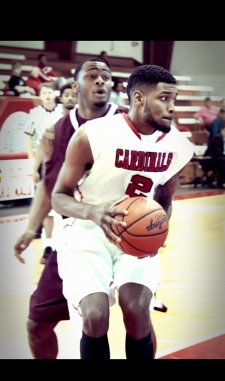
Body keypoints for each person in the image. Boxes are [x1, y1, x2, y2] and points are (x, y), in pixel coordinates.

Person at [51, 64, 195, 360]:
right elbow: (58, 197)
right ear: (139, 98)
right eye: (164, 98)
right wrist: (93, 212)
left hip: (136, 239)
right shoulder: (93, 134)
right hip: (89, 232)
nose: (171, 108)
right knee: (94, 316)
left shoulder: (178, 145)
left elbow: (165, 198)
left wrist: (159, 227)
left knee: (138, 311)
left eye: (174, 100)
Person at [13, 57, 130, 359]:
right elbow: (48, 185)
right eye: (92, 75)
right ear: (75, 85)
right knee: (36, 324)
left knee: (137, 318)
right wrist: (30, 228)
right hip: (74, 235)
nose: (101, 81)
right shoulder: (56, 131)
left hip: (124, 233)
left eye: (106, 76)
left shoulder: (129, 121)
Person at [32, 83, 77, 263]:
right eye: (66, 95)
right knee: (49, 213)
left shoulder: (86, 121)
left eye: (73, 95)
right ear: (61, 97)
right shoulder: (53, 122)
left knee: (72, 215)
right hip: (54, 171)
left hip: (76, 175)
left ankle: (70, 247)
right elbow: (43, 148)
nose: (69, 98)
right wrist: (35, 169)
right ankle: (48, 247)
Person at [23, 82, 63, 262]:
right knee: (46, 204)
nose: (47, 95)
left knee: (64, 205)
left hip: (64, 160)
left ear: (54, 94)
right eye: (43, 92)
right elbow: (29, 137)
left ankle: (60, 244)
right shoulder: (34, 114)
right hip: (44, 161)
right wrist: (33, 163)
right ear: (40, 95)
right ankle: (48, 246)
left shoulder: (63, 110)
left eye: (49, 92)